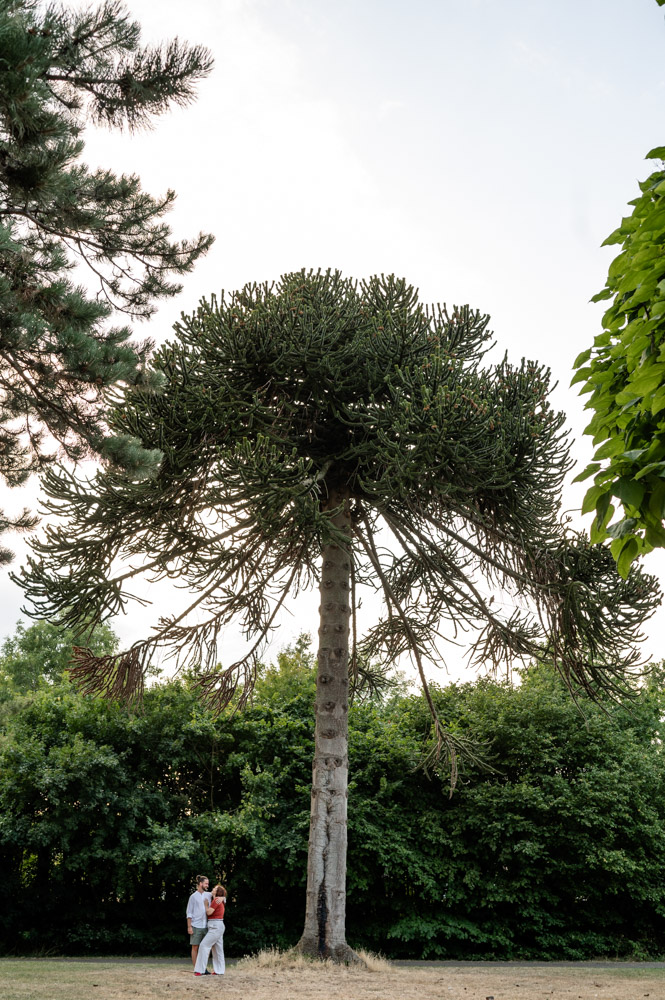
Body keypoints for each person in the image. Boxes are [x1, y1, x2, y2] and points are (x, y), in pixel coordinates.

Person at [193, 884, 227, 977]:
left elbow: (209, 912)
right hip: (218, 925)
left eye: (215, 889)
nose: (213, 889)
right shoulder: (219, 900)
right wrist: (223, 897)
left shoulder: (216, 900)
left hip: (215, 926)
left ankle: (200, 970)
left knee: (204, 945)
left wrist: (206, 905)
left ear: (218, 892)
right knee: (217, 949)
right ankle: (219, 970)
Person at [186, 875, 212, 969]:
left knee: (206, 948)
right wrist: (189, 927)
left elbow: (221, 895)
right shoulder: (193, 897)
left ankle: (203, 968)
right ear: (200, 884)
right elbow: (189, 912)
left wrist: (222, 898)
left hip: (206, 925)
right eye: (206, 883)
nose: (207, 885)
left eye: (208, 883)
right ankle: (196, 969)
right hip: (195, 926)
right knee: (195, 947)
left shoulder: (209, 895)